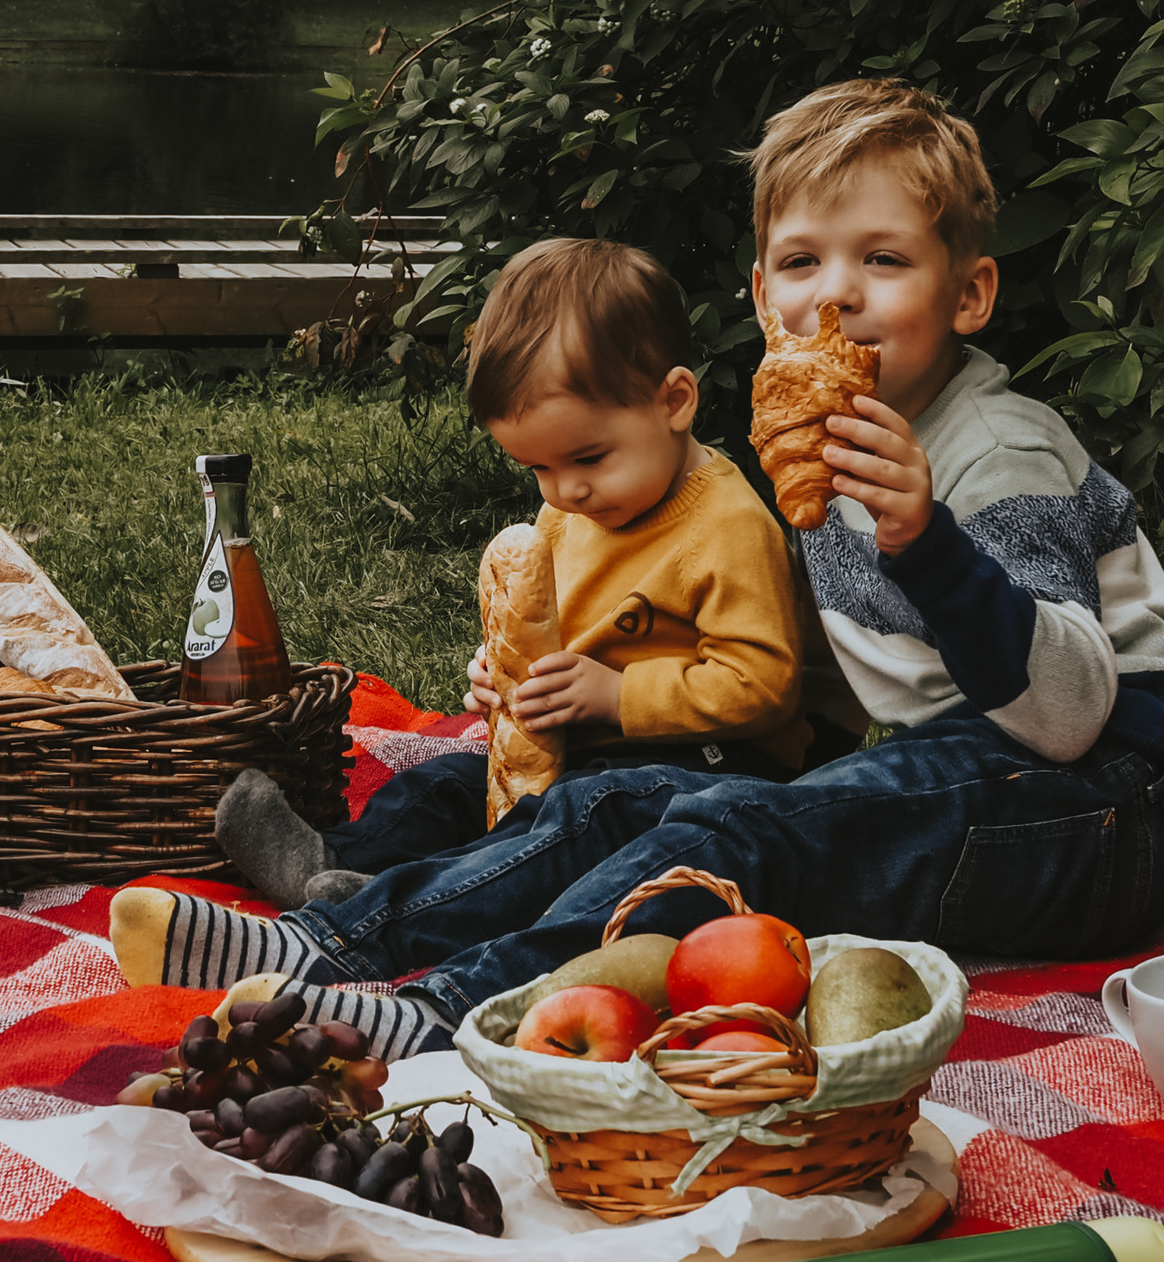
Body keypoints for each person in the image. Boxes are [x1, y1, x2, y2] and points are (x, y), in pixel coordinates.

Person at [110, 79, 1164, 1061]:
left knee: (736, 841)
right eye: (802, 262)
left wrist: (925, 540)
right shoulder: (819, 447)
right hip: (966, 775)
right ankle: (333, 934)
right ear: (760, 296)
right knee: (620, 799)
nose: (834, 294)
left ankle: (457, 1006)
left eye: (882, 260)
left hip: (1112, 809)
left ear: (969, 294)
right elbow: (842, 679)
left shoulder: (993, 451)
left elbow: (1073, 715)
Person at [207, 234, 812, 909]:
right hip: (583, 747)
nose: (564, 491)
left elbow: (765, 685)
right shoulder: (574, 511)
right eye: (539, 468)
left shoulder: (726, 525)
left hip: (708, 769)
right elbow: (553, 632)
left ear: (674, 402)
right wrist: (501, 677)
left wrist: (615, 696)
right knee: (447, 784)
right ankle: (335, 861)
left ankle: (415, 903)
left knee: (574, 819)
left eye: (588, 458)